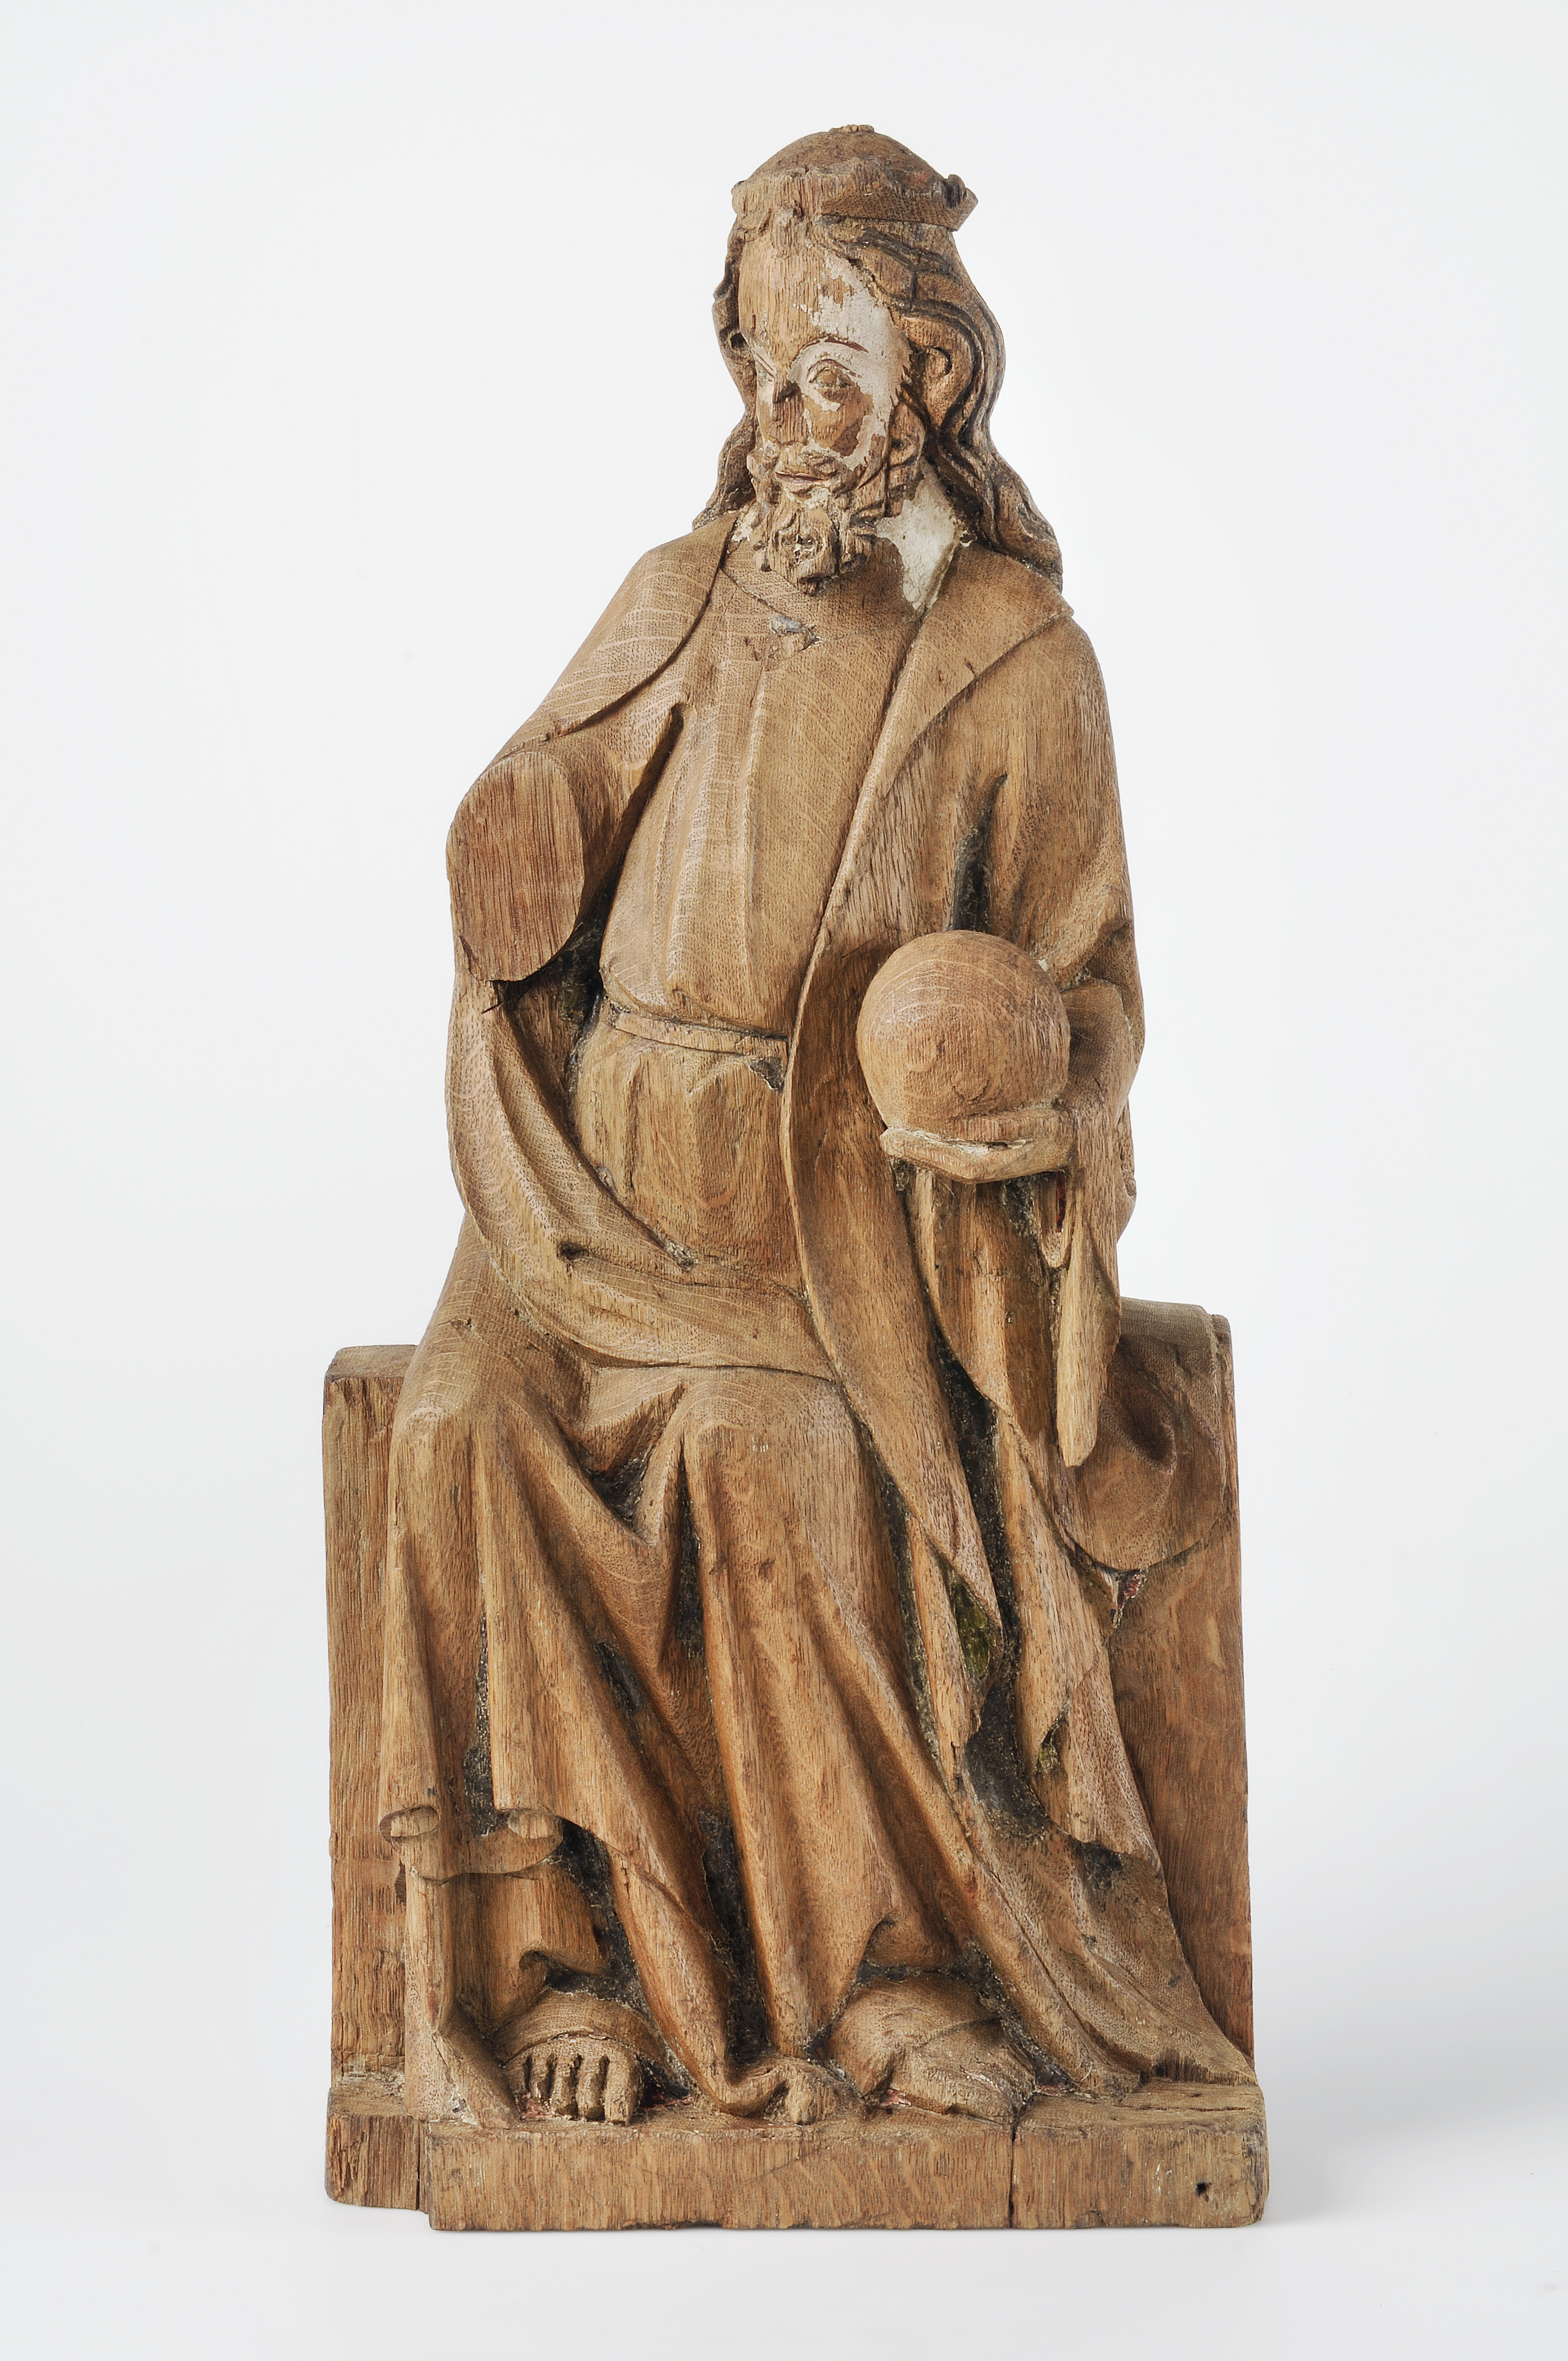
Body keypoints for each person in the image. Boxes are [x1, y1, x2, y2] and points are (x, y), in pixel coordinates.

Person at [378, 125, 1254, 2129]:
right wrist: (523, 839)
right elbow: (539, 832)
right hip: (585, 1209)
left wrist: (1020, 1071)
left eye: (829, 371)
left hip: (825, 1232)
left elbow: (1098, 990)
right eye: (763, 372)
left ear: (930, 378)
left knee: (769, 1465)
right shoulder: (676, 593)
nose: (786, 415)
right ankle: (575, 1962)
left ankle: (875, 1978)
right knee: (464, 1430)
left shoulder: (1014, 659)